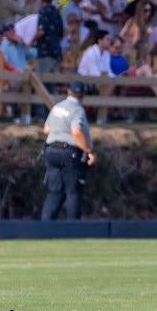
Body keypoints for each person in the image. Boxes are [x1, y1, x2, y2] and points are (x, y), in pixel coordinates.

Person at [42, 78, 95, 221]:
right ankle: (73, 227)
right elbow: (76, 131)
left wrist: (60, 130)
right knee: (73, 192)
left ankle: (44, 226)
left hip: (51, 151)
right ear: (83, 95)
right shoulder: (77, 110)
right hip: (69, 153)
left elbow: (46, 129)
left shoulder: (57, 107)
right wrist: (88, 151)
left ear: (68, 91)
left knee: (54, 191)